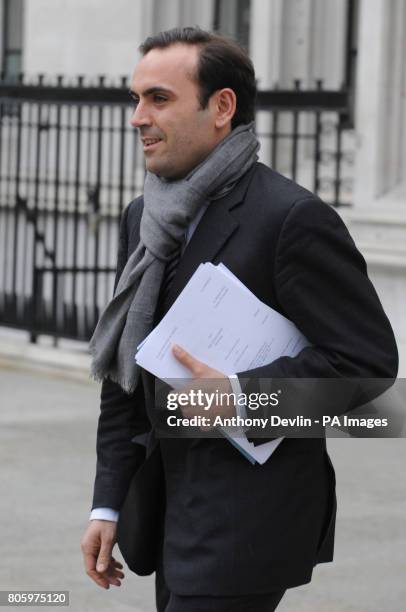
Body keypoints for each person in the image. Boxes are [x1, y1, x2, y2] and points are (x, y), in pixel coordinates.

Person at [80, 27, 398, 612]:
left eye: (159, 99)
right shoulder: (143, 216)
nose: (137, 118)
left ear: (222, 106)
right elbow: (125, 376)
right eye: (135, 99)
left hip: (248, 523)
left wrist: (242, 398)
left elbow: (369, 363)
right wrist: (108, 503)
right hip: (169, 516)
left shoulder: (292, 218)